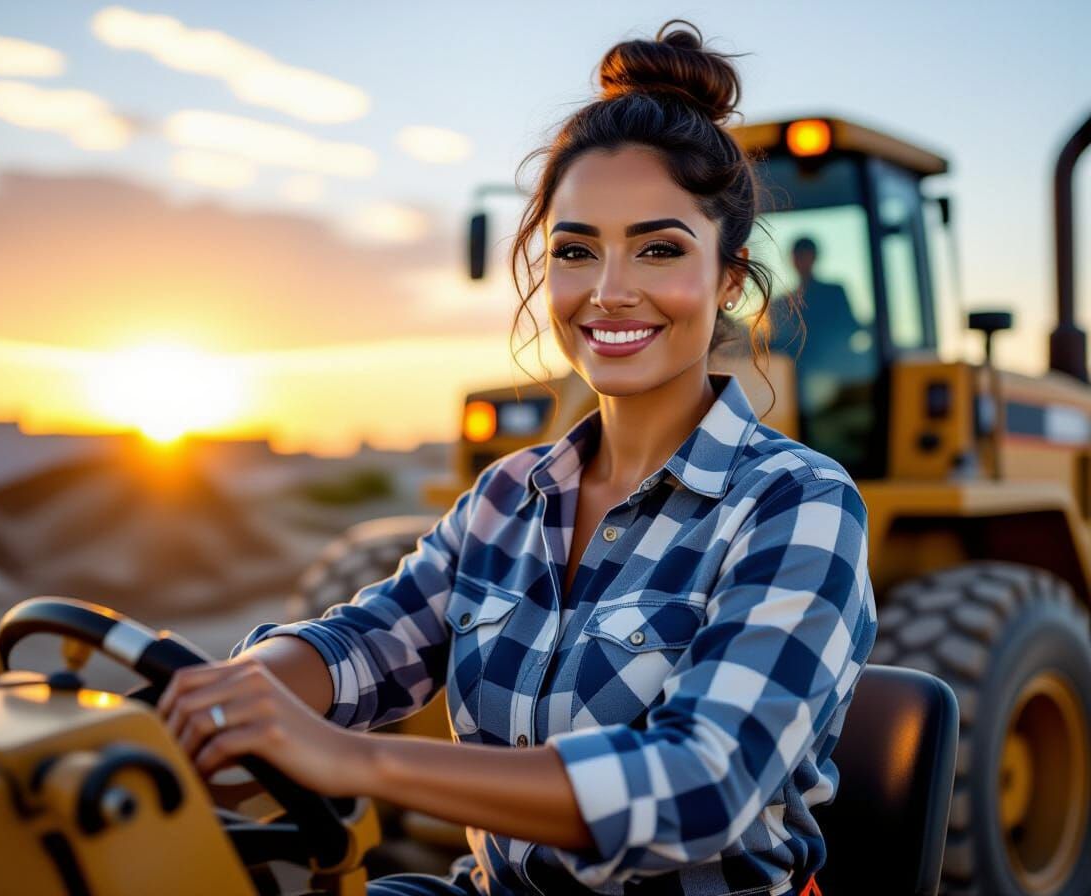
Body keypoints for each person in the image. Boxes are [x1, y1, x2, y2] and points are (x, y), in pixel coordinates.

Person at [160, 21, 876, 896]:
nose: (610, 291)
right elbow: (364, 645)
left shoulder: (797, 503)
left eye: (658, 249)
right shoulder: (505, 497)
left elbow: (702, 783)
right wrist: (235, 691)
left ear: (730, 279)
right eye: (576, 251)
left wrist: (355, 762)